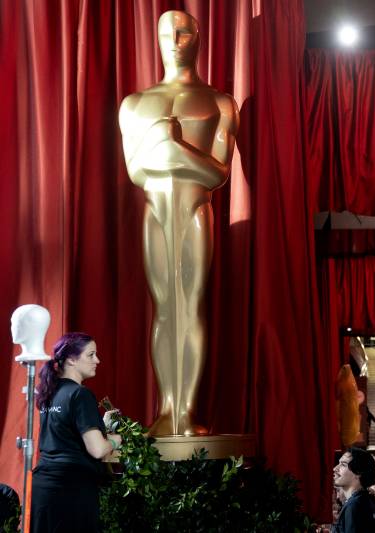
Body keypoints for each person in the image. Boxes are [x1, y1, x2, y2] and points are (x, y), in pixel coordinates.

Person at [119, 10, 239, 436]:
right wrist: (164, 147)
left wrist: (169, 146)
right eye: (167, 32)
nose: (175, 38)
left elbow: (217, 174)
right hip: (155, 211)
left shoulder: (219, 102)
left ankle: (186, 410)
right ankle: (166, 409)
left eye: (184, 31)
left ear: (198, 38)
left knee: (189, 306)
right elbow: (136, 171)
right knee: (164, 311)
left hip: (194, 210)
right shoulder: (134, 104)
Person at [31, 333, 122, 533]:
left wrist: (101, 424)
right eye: (91, 355)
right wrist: (115, 440)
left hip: (44, 490)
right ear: (72, 359)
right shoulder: (81, 394)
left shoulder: (50, 392)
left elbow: (65, 433)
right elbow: (97, 450)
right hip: (72, 490)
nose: (97, 360)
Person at [328, 448, 375, 532]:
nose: (335, 468)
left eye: (343, 464)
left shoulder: (354, 507)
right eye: (339, 463)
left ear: (358, 472)